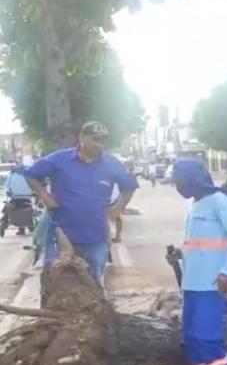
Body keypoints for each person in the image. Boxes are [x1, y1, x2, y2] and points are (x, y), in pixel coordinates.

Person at [26, 121, 138, 284]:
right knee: (56, 285)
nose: (99, 144)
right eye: (95, 139)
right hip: (60, 235)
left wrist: (117, 209)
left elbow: (129, 187)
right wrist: (44, 196)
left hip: (96, 236)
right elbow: (30, 174)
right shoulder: (59, 160)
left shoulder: (112, 164)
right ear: (81, 138)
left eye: (102, 140)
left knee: (93, 285)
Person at [173, 158, 227, 365]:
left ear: (194, 179)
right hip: (192, 283)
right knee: (191, 338)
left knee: (208, 337)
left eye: (180, 181)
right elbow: (198, 246)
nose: (177, 186)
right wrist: (178, 258)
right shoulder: (195, 206)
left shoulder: (220, 202)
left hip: (211, 284)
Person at [4, 165, 34, 235]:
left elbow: (7, 187)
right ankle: (31, 226)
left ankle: (20, 229)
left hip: (15, 198)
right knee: (30, 211)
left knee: (8, 208)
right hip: (27, 198)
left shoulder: (11, 176)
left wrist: (9, 192)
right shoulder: (28, 175)